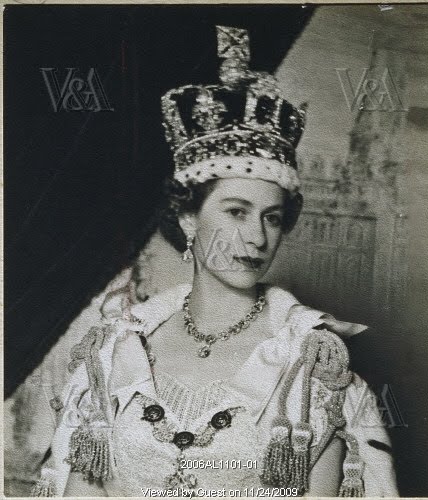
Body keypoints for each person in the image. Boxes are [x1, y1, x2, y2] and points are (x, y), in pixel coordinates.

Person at [31, 25, 398, 497]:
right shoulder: (115, 350)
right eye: (235, 212)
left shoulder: (307, 364)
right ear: (188, 217)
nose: (257, 237)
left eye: (272, 217)